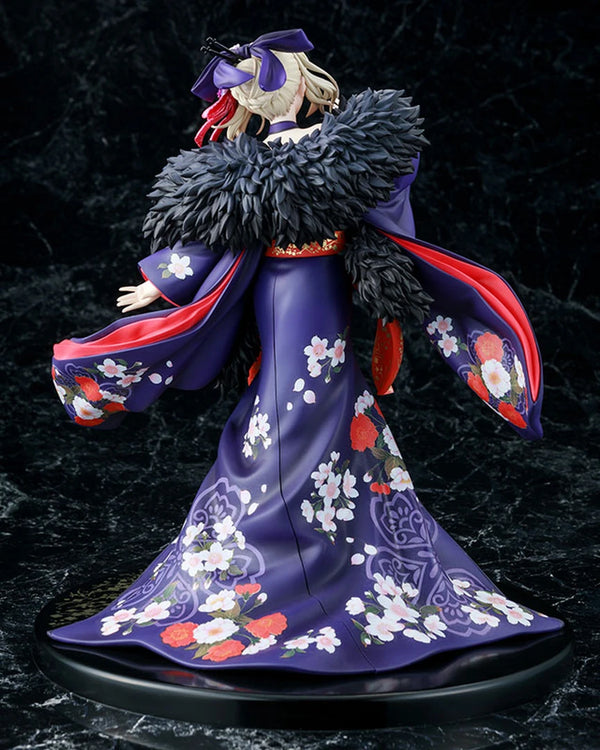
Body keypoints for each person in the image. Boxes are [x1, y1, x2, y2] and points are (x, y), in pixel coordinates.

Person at [49, 30, 562, 672]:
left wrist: (163, 278)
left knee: (322, 398)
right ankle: (275, 543)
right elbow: (219, 233)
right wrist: (163, 279)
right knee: (284, 401)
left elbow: (386, 191)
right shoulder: (252, 163)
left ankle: (321, 546)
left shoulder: (335, 150)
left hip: (321, 289)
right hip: (278, 289)